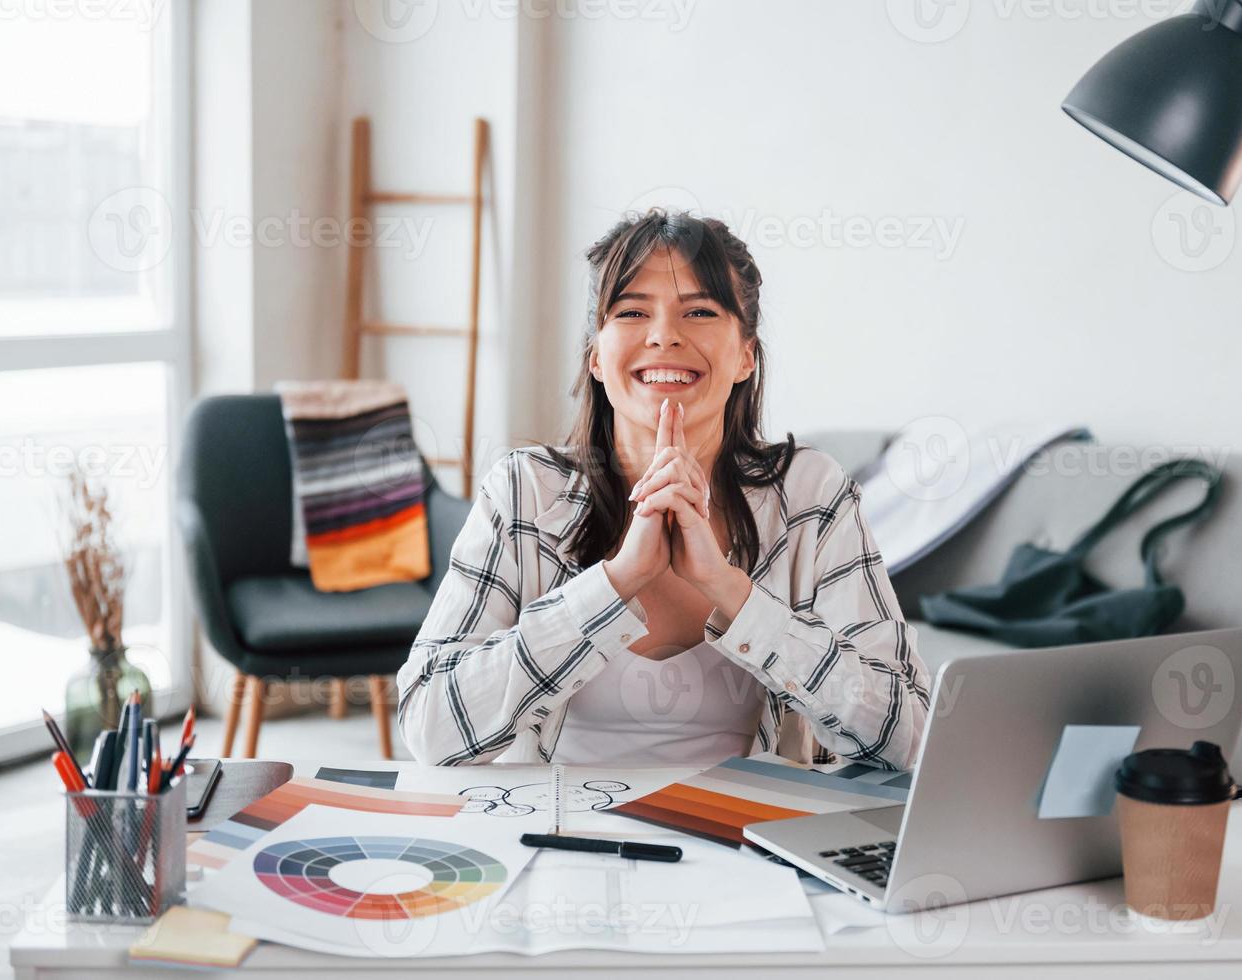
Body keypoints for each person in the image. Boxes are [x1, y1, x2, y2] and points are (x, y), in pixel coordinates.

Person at [397, 209, 930, 769]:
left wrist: (731, 592)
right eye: (631, 311)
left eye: (699, 311)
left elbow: (908, 735)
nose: (664, 335)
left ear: (746, 354)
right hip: (554, 839)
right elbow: (431, 729)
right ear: (597, 357)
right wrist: (615, 582)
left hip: (747, 845)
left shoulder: (811, 494)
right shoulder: (526, 489)